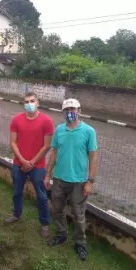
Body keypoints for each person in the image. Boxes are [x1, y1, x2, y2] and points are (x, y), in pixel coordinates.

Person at [44, 98, 98, 261]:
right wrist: (48, 174)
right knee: (58, 209)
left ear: (79, 110)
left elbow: (93, 157)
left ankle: (80, 243)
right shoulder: (59, 130)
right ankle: (61, 234)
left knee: (79, 214)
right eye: (66, 110)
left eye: (73, 109)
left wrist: (90, 181)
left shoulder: (89, 131)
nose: (70, 113)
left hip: (79, 182)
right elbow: (53, 153)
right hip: (60, 179)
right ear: (62, 113)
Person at [6, 92, 54, 237]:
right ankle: (17, 214)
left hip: (37, 166)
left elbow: (47, 146)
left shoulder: (47, 121)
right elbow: (13, 142)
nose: (29, 104)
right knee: (16, 192)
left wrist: (31, 162)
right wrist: (22, 160)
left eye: (32, 101)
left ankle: (45, 224)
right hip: (18, 164)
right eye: (26, 101)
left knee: (41, 196)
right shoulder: (16, 120)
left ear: (37, 102)